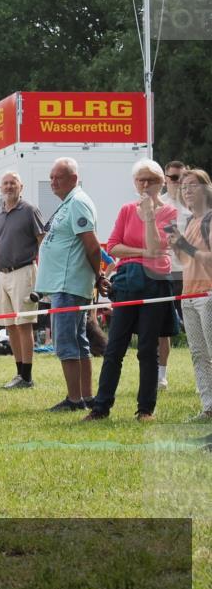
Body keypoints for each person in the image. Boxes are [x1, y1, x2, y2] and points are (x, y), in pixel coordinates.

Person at [85, 160, 179, 422]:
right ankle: (100, 407)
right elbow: (113, 246)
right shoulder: (126, 209)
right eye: (141, 180)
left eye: (151, 180)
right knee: (115, 347)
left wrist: (149, 217)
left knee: (148, 348)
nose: (146, 185)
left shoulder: (170, 213)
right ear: (135, 183)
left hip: (156, 282)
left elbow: (159, 246)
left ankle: (145, 409)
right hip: (127, 283)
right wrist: (140, 252)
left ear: (161, 183)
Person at [34, 157, 103, 412]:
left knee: (66, 341)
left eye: (58, 177)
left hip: (69, 284)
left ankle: (75, 400)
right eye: (51, 177)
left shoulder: (78, 203)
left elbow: (92, 246)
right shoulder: (69, 203)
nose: (53, 182)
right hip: (64, 284)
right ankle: (85, 396)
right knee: (78, 339)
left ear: (73, 179)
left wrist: (98, 275)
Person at [0, 171, 46, 389]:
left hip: (24, 271)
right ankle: (19, 374)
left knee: (24, 325)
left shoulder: (29, 211)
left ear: (21, 186)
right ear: (1, 188)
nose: (8, 187)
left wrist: (44, 273)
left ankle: (27, 377)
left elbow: (42, 241)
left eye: (12, 183)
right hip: (3, 275)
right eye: (5, 184)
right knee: (10, 326)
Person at [167, 168, 212, 421]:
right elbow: (186, 260)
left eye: (193, 185)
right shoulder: (193, 221)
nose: (187, 191)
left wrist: (186, 246)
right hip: (189, 295)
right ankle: (208, 407)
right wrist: (178, 245)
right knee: (198, 353)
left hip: (208, 294)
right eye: (184, 187)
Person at [158, 160, 189, 390]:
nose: (178, 183)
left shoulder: (197, 206)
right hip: (166, 272)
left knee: (200, 328)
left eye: (182, 177)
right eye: (174, 178)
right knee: (163, 327)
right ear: (166, 179)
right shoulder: (159, 204)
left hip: (192, 274)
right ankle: (161, 376)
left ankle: (203, 378)